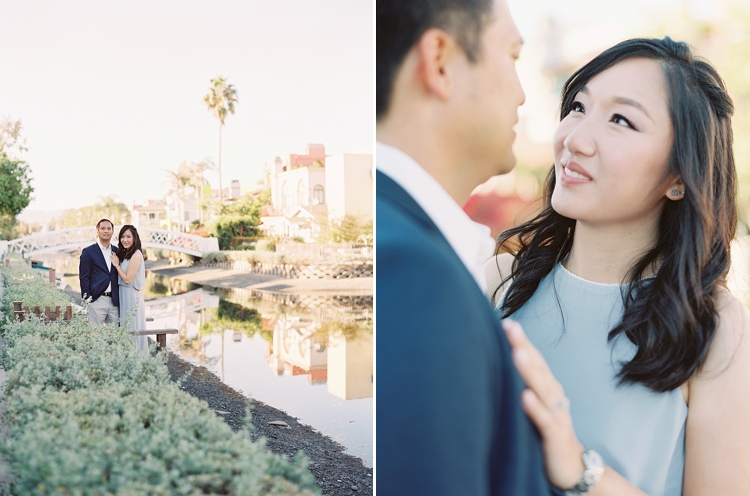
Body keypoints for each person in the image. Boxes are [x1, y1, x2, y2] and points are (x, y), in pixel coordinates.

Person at [486, 37, 750, 494]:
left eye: (621, 120)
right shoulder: (499, 282)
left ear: (678, 177)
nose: (575, 139)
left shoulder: (714, 325)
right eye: (579, 107)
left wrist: (579, 470)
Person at [377, 0, 550, 494]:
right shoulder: (410, 272)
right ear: (440, 62)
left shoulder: (419, 246)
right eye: (513, 57)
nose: (521, 94)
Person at [111, 225, 148, 353]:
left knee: (132, 330)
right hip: (123, 295)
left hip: (131, 296)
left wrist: (116, 265)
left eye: (128, 237)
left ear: (134, 238)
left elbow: (127, 279)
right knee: (125, 329)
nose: (125, 240)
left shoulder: (136, 255)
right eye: (122, 237)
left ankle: (136, 361)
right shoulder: (125, 254)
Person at [79, 219, 120, 325]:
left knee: (115, 337)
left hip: (115, 301)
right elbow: (84, 277)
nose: (106, 231)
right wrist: (87, 299)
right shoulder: (88, 252)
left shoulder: (118, 251)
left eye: (109, 228)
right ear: (97, 231)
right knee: (95, 335)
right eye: (103, 228)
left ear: (112, 231)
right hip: (97, 299)